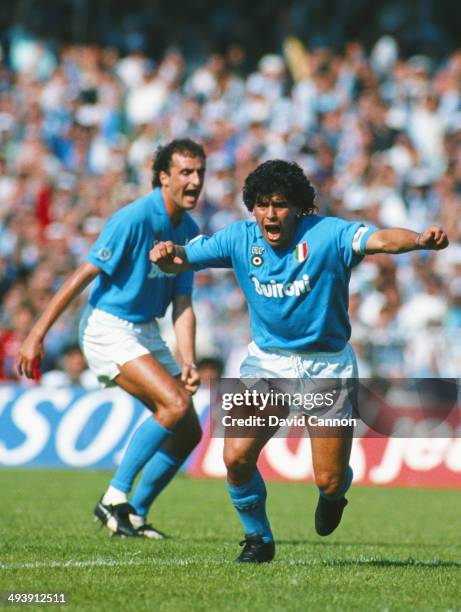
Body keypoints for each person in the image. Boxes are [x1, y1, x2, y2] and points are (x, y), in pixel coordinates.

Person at [151, 159, 449, 562]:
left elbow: (380, 240)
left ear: (299, 208)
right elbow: (183, 258)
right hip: (267, 364)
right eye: (261, 204)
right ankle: (258, 539)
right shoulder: (239, 238)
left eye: (280, 204)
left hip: (328, 367)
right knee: (236, 457)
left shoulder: (329, 234)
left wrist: (418, 239)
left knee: (327, 480)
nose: (270, 214)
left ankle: (335, 494)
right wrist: (167, 253)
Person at [17, 138, 206, 538]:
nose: (195, 181)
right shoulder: (133, 219)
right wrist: (36, 334)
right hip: (108, 326)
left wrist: (187, 360)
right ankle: (113, 498)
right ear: (163, 177)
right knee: (172, 406)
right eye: (186, 172)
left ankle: (133, 513)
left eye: (200, 172)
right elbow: (82, 276)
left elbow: (183, 302)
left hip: (146, 330)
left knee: (189, 428)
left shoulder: (189, 229)